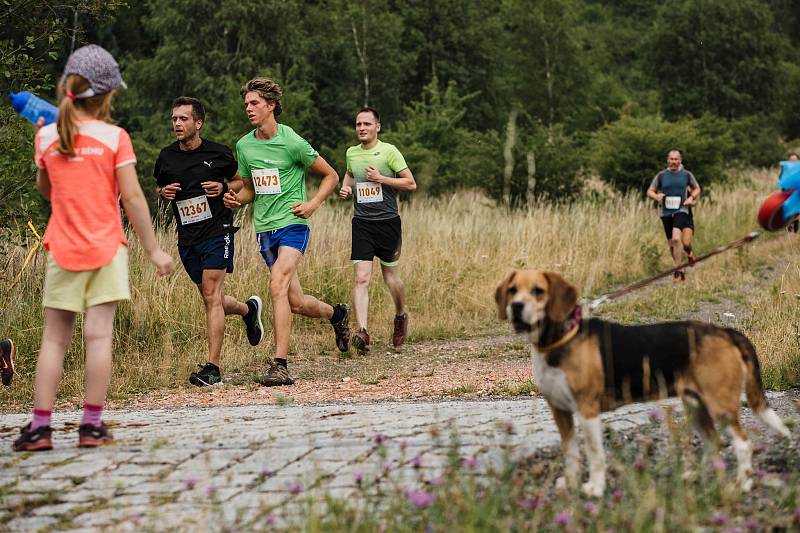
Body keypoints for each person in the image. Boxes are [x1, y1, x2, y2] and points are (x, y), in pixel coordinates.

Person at [14, 45, 174, 452]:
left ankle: (40, 428)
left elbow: (46, 190)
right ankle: (91, 426)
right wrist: (155, 251)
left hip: (62, 248)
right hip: (106, 248)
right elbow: (134, 198)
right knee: (98, 337)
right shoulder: (114, 137)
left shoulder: (47, 134)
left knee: (54, 340)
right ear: (107, 96)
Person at [223, 77, 350, 386]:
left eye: (254, 103)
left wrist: (313, 204)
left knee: (277, 284)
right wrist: (235, 199)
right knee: (295, 301)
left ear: (271, 106)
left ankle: (279, 364)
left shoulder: (292, 142)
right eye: (246, 104)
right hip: (264, 229)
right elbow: (251, 188)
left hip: (293, 225)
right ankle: (338, 315)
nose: (249, 109)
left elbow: (331, 175)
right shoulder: (244, 145)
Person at [154, 96, 264, 387]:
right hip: (187, 238)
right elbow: (158, 186)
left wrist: (225, 187)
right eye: (174, 118)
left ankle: (213, 369)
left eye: (184, 119)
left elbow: (240, 182)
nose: (177, 123)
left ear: (198, 123)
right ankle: (247, 310)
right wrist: (163, 192)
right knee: (210, 296)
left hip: (218, 230)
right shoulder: (166, 157)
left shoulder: (219, 153)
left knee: (211, 294)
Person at [338, 108, 416, 353]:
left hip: (388, 222)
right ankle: (363, 332)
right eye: (358, 124)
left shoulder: (389, 151)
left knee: (391, 278)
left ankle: (401, 315)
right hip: (362, 223)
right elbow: (350, 174)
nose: (362, 128)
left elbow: (410, 183)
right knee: (361, 277)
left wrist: (382, 179)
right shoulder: (352, 153)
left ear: (377, 127)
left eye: (367, 124)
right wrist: (345, 188)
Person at [646, 149, 700, 283]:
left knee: (677, 239)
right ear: (667, 160)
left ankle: (678, 271)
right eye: (671, 159)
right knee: (671, 244)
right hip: (666, 212)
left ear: (680, 160)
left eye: (676, 159)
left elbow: (697, 188)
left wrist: (691, 198)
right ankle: (681, 268)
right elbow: (650, 191)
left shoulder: (687, 175)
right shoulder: (661, 176)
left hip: (681, 210)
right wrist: (656, 196)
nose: (674, 162)